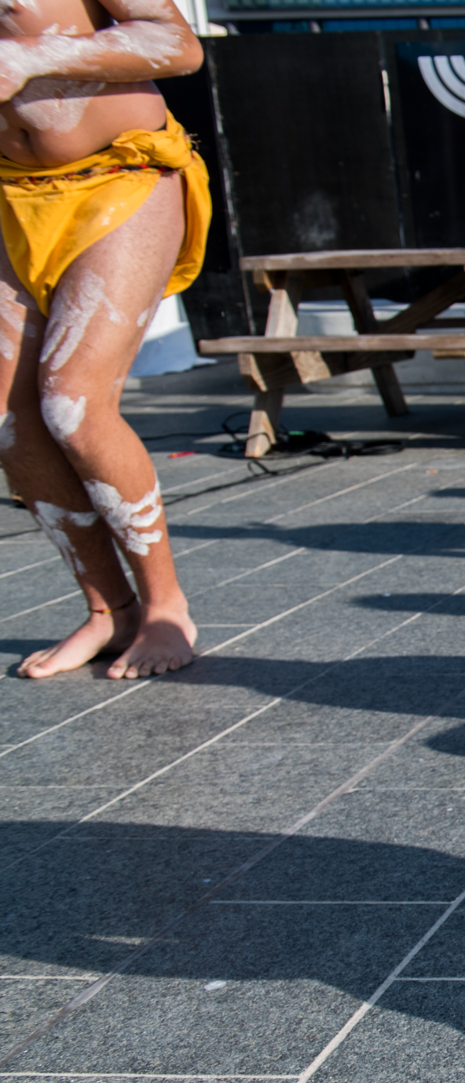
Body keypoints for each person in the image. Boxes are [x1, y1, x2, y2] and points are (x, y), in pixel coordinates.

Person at [1, 0, 209, 679]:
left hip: (121, 175)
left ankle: (165, 606)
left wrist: (31, 58)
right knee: (9, 421)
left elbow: (178, 44)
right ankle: (107, 609)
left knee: (74, 402)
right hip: (11, 192)